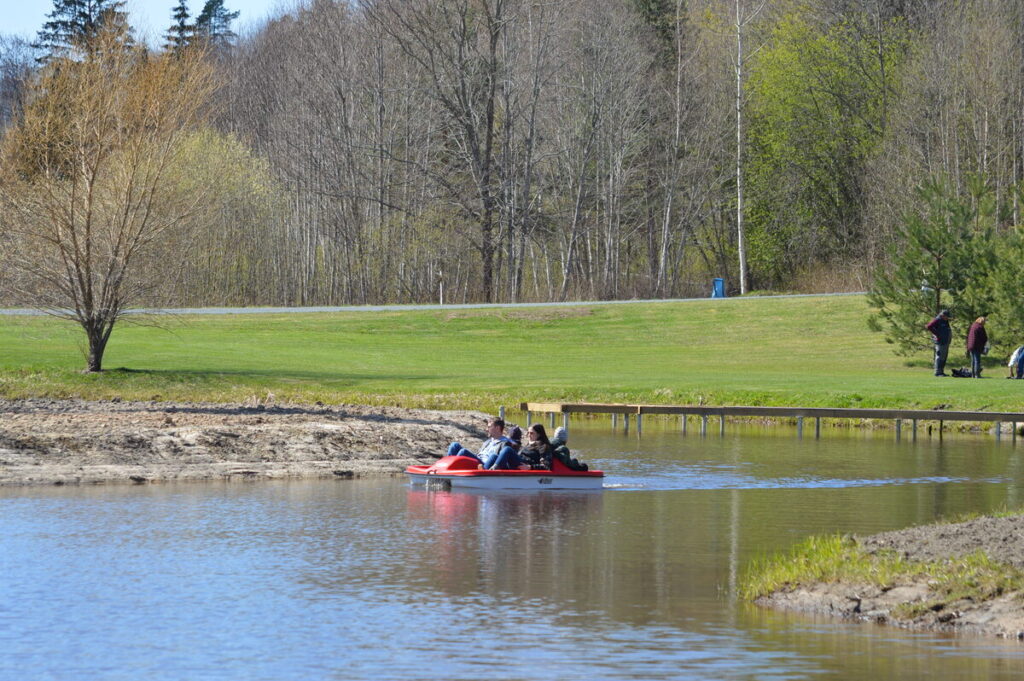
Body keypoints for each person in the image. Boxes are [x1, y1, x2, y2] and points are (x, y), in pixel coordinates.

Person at [446, 418, 511, 465]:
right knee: (454, 445)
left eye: (489, 427)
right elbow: (479, 454)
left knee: (463, 452)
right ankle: (446, 466)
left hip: (484, 464)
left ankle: (452, 468)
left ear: (497, 428)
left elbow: (501, 460)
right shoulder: (488, 442)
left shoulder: (504, 443)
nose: (486, 429)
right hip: (478, 459)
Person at [925, 309, 953, 376]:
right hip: (940, 341)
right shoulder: (937, 320)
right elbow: (929, 326)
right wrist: (937, 334)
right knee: (939, 356)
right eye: (947, 316)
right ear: (942, 315)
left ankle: (941, 372)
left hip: (945, 341)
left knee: (944, 357)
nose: (947, 318)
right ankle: (937, 372)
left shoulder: (945, 321)